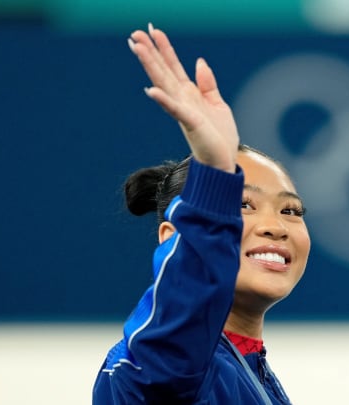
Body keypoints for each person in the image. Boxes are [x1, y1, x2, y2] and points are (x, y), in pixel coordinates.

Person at [92, 24, 310, 404]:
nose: (275, 226)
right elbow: (178, 338)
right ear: (171, 235)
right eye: (241, 204)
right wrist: (215, 174)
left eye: (290, 210)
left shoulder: (251, 372)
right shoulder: (165, 366)